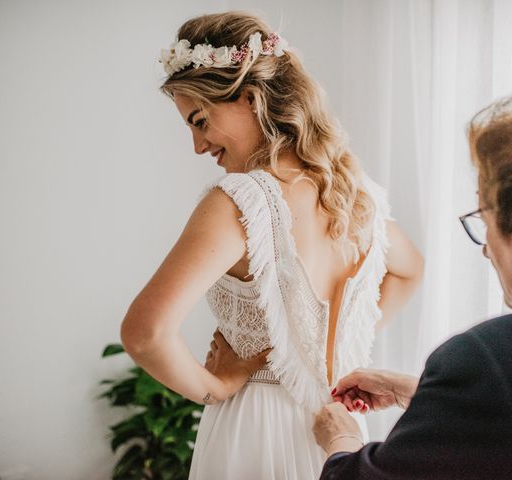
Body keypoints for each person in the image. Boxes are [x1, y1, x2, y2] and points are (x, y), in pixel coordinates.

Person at [119, 11, 424, 479]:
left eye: (200, 121)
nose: (198, 146)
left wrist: (215, 389)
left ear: (250, 98)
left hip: (252, 429)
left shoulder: (239, 202)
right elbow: (409, 269)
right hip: (336, 428)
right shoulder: (352, 193)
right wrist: (339, 351)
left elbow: (144, 333)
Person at [313, 79, 512, 480]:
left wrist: (342, 441)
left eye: (483, 217)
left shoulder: (492, 360)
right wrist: (439, 399)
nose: (485, 249)